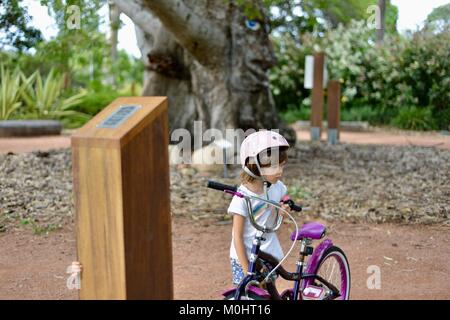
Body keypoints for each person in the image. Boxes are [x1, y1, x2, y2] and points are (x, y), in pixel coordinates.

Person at [228, 130, 292, 286]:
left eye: (282, 166)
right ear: (254, 165)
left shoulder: (276, 187)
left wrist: (286, 205)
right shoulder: (242, 198)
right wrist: (246, 271)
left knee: (269, 292)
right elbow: (237, 237)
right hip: (244, 257)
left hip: (269, 254)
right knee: (247, 295)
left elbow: (284, 196)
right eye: (274, 166)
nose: (280, 172)